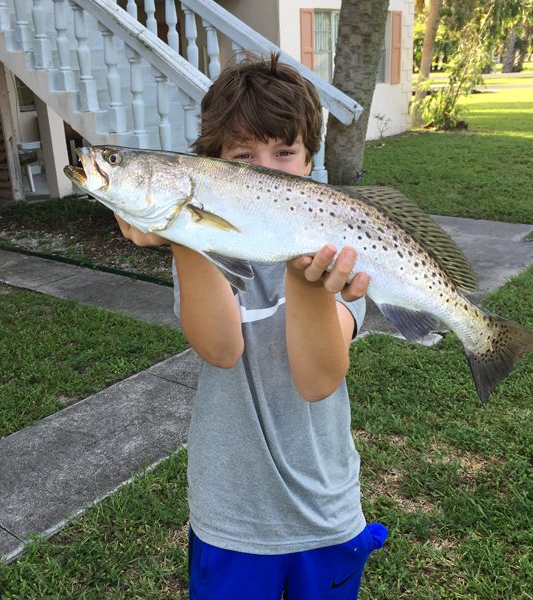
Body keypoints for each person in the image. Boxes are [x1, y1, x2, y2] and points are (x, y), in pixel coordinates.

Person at [116, 52, 388, 599]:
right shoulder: (201, 248)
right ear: (213, 166)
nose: (266, 167)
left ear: (310, 160)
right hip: (230, 516)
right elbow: (219, 348)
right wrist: (185, 231)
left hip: (324, 510)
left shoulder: (345, 252)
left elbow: (317, 381)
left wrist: (309, 286)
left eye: (285, 151)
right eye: (244, 154)